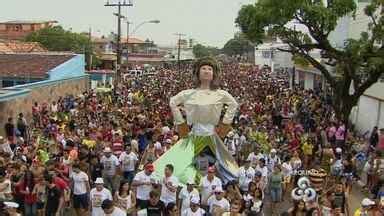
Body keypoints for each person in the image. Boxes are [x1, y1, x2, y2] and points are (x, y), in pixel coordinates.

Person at [152, 56, 239, 185]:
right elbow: (173, 102)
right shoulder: (188, 93)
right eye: (203, 68)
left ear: (214, 74)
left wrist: (224, 125)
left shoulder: (221, 94)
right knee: (182, 165)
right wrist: (182, 124)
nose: (206, 71)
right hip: (194, 135)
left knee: (227, 168)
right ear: (198, 73)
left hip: (212, 135)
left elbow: (234, 104)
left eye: (210, 69)